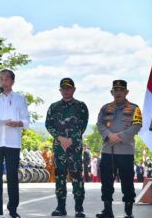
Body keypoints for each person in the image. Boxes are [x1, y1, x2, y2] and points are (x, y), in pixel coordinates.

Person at [0, 69, 29, 218]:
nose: (4, 82)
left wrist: (18, 123)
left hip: (12, 142)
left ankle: (13, 209)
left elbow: (27, 121)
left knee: (12, 177)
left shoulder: (19, 98)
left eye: (7, 79)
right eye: (1, 79)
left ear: (13, 81)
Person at [96, 80, 142, 218]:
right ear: (112, 92)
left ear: (126, 92)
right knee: (106, 182)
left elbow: (137, 125)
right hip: (107, 151)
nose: (118, 93)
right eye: (116, 90)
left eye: (121, 90)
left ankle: (128, 211)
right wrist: (109, 135)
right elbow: (99, 124)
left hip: (125, 152)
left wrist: (119, 137)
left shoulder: (135, 108)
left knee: (127, 182)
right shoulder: (105, 108)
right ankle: (107, 210)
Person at [45, 77, 89, 217]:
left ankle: (79, 208)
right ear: (60, 90)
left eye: (68, 88)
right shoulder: (53, 107)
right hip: (59, 148)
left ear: (73, 89)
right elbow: (48, 124)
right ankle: (60, 207)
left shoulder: (81, 106)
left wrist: (70, 140)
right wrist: (60, 138)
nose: (66, 90)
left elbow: (82, 126)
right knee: (59, 177)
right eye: (63, 88)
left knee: (77, 178)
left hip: (74, 147)